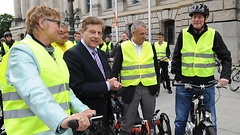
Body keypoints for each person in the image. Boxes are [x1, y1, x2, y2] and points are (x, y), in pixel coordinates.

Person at [0, 6, 96, 135]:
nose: (61, 28)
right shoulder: (21, 52)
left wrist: (82, 109)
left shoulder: (53, 51)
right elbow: (34, 92)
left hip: (59, 129)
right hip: (30, 131)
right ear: (41, 23)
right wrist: (62, 119)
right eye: (57, 23)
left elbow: (64, 89)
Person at [171, 3, 232, 135]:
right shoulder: (183, 34)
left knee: (212, 122)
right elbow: (176, 57)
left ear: (206, 18)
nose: (196, 20)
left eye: (199, 17)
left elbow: (226, 57)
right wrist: (178, 76)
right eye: (194, 17)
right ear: (191, 18)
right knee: (180, 120)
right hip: (185, 84)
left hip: (207, 84)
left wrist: (225, 76)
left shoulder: (213, 35)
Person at [63, 16, 122, 134]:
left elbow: (106, 78)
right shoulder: (72, 55)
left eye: (99, 33)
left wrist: (113, 85)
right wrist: (107, 85)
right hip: (86, 117)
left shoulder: (100, 53)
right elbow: (77, 88)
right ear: (82, 32)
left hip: (105, 114)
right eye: (92, 32)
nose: (96, 36)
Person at [111, 20, 160, 134]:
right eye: (141, 34)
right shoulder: (123, 47)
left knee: (150, 121)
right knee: (128, 120)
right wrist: (113, 87)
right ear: (133, 33)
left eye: (145, 33)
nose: (144, 36)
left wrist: (157, 84)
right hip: (130, 89)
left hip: (149, 88)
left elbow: (156, 67)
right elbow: (115, 69)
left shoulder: (150, 46)